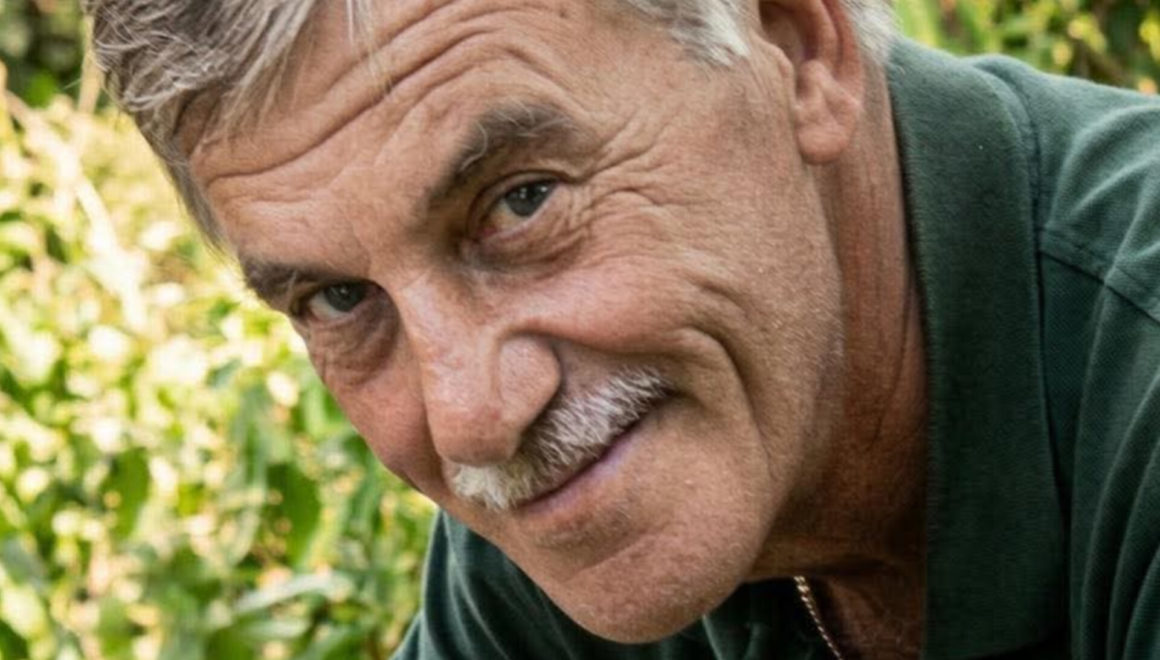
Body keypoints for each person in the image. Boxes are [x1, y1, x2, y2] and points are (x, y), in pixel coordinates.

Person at [84, 0, 1160, 657]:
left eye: (521, 202)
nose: (470, 420)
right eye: (339, 300)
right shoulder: (592, 492)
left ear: (793, 44)